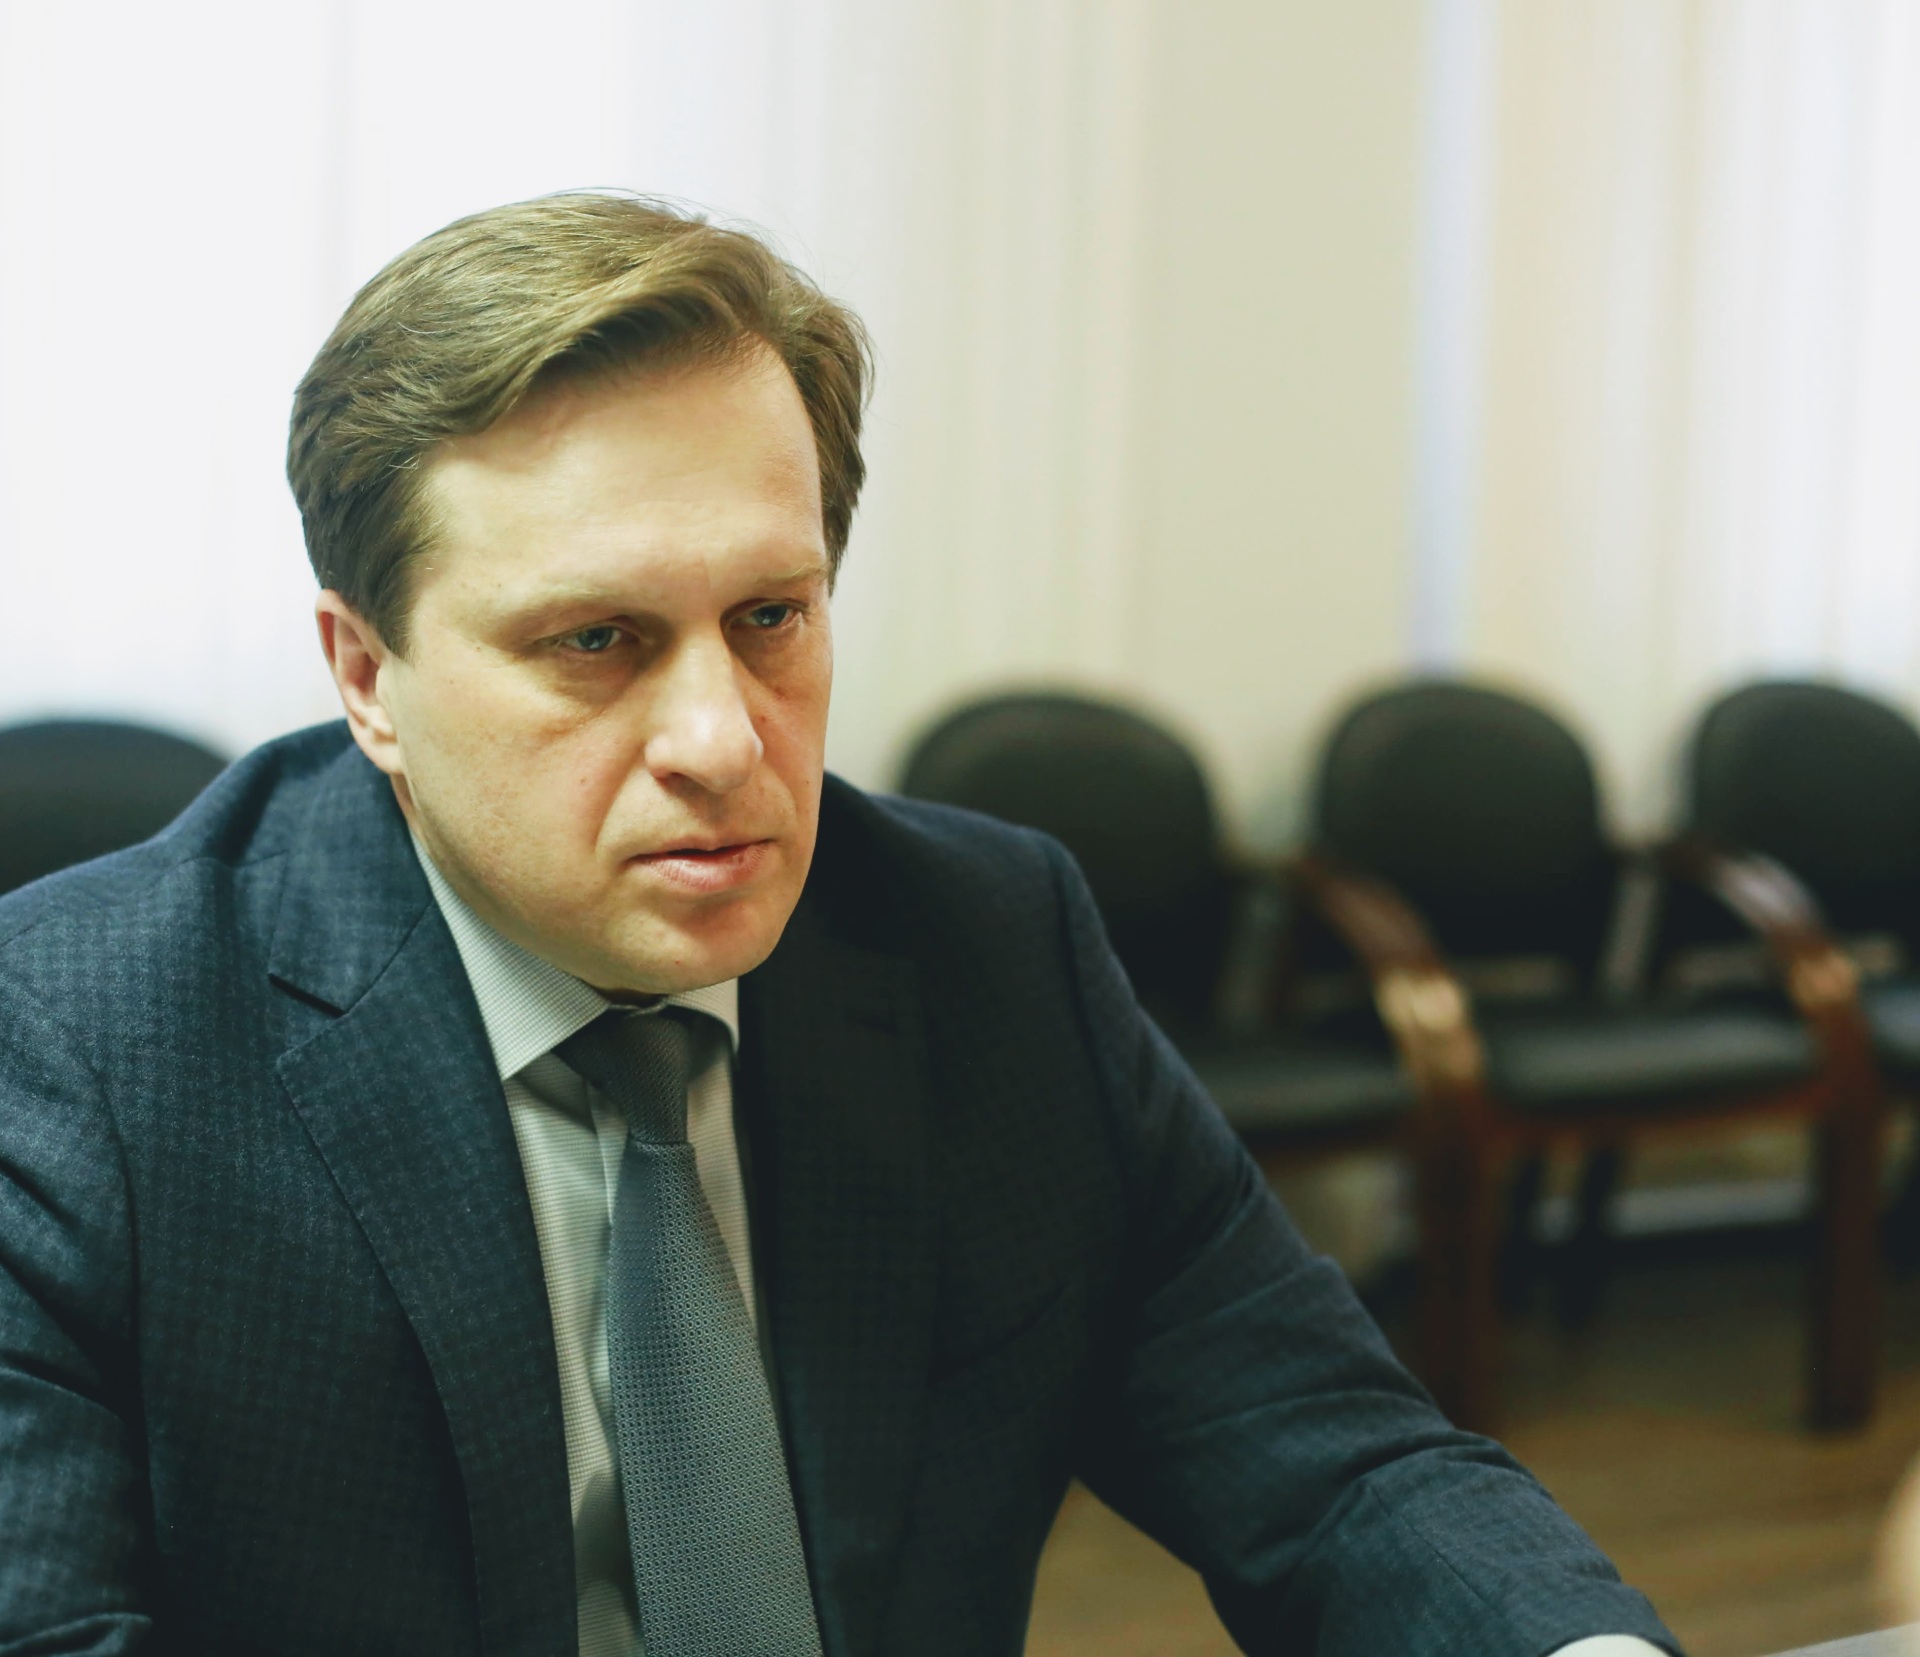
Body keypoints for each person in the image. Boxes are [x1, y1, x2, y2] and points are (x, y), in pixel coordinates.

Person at [0, 192, 1680, 1656]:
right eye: (594, 641)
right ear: (368, 673)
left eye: (769, 616)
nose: (722, 741)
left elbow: (1333, 1462)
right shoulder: (82, 1044)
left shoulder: (986, 943)